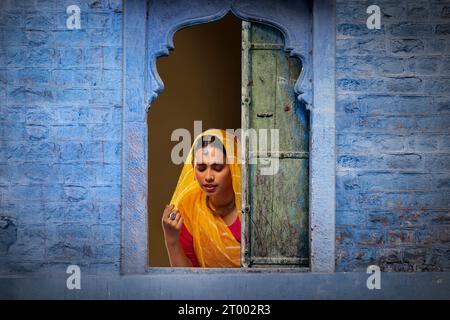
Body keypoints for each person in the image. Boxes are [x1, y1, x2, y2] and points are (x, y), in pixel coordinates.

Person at [162, 129, 242, 267]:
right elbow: (186, 279)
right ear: (193, 168)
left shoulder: (254, 206)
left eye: (217, 167)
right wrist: (171, 239)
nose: (208, 177)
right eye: (201, 168)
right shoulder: (188, 209)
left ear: (234, 167)